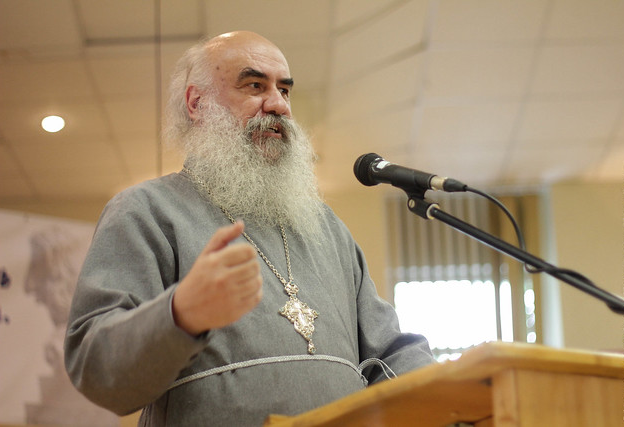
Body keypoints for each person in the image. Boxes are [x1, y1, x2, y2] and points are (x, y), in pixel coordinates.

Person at [64, 31, 435, 426]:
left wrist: (456, 382)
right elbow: (94, 368)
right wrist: (180, 314)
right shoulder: (147, 211)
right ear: (197, 103)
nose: (278, 105)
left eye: (284, 90)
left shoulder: (326, 227)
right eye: (255, 85)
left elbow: (389, 351)